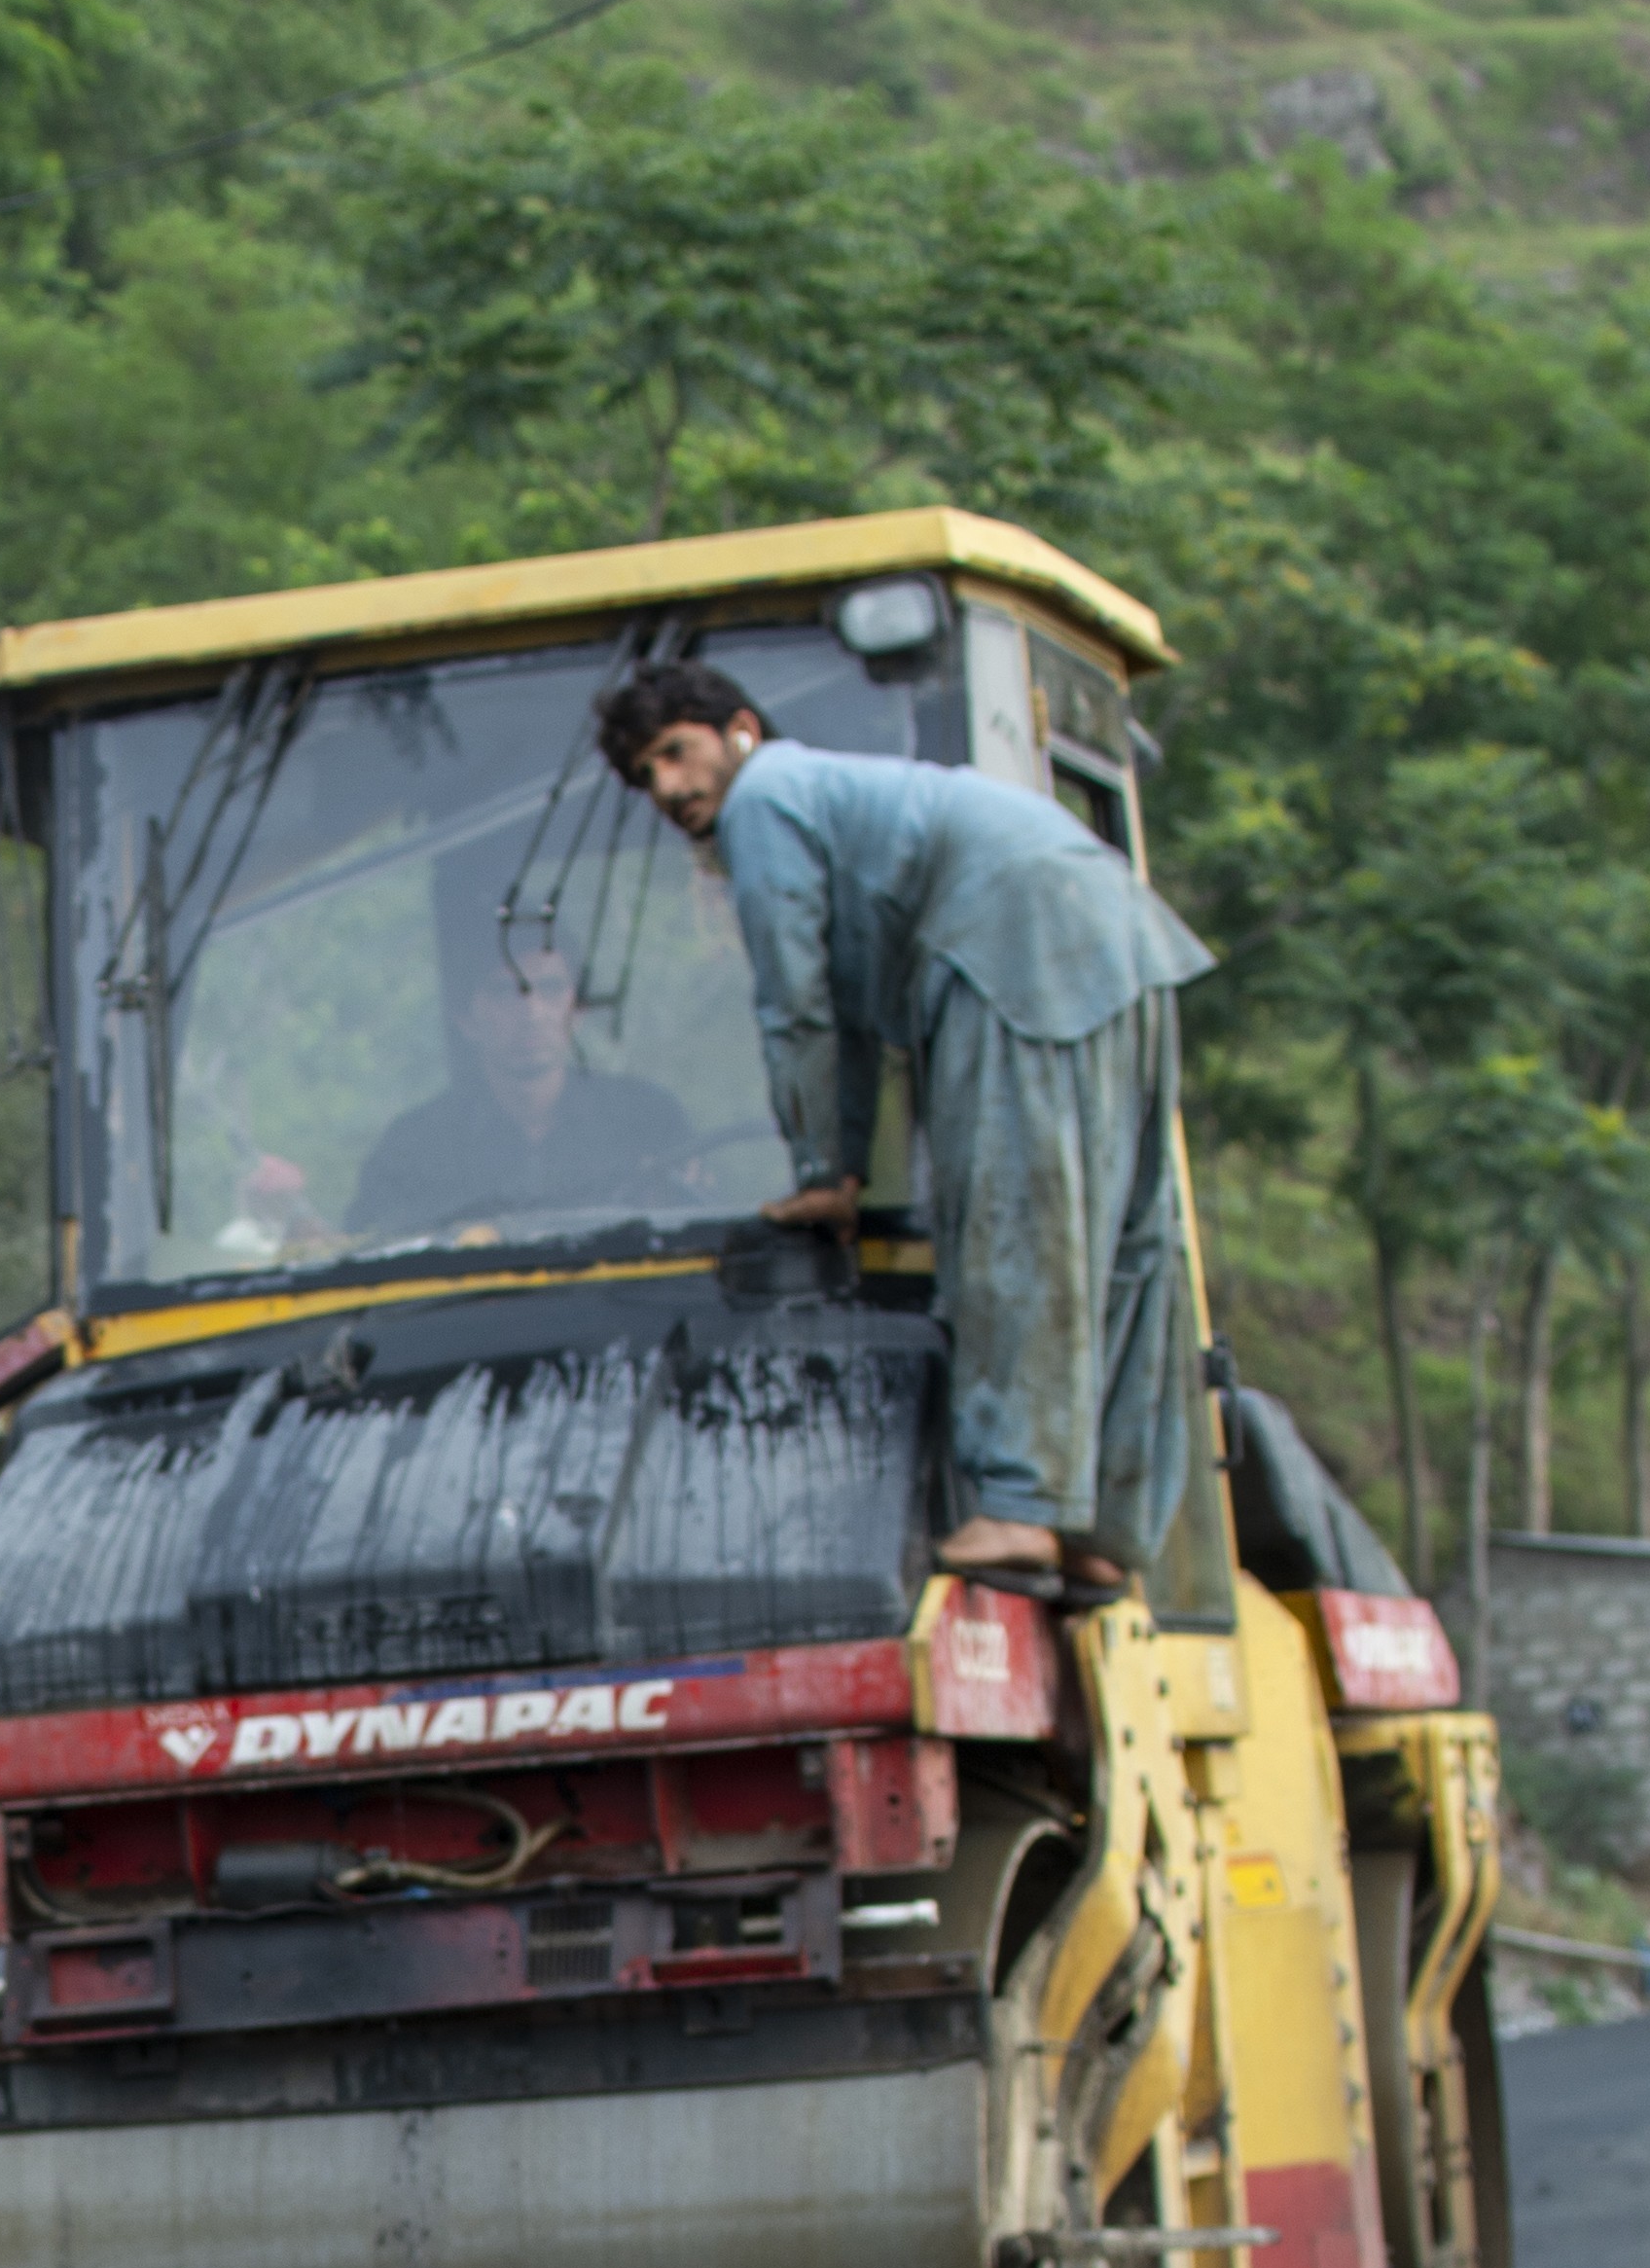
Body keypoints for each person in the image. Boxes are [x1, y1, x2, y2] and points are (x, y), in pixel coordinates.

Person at [592, 661, 1212, 1590]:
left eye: (678, 753)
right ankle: (1107, 1527)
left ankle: (1016, 1504)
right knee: (1123, 1235)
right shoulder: (839, 799)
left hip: (1009, 935)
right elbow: (841, 1012)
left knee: (1010, 1216)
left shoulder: (767, 799)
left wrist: (819, 1165)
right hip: (1115, 933)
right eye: (648, 777)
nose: (672, 789)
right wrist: (836, 1167)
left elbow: (795, 1006)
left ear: (739, 731)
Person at [341, 852, 692, 1239]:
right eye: (504, 991)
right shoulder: (414, 1150)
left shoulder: (646, 1120)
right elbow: (369, 1256)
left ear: (578, 1009)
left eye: (551, 989)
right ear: (465, 1019)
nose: (532, 1012)